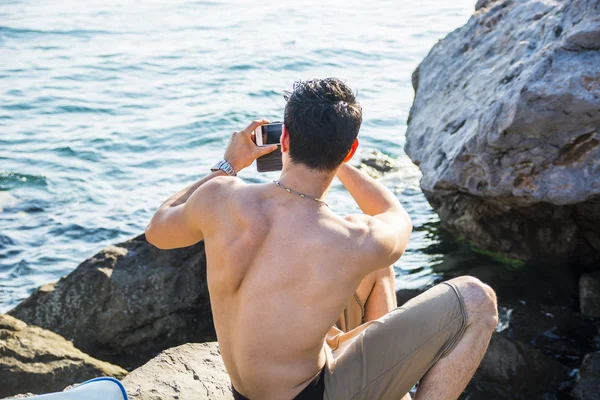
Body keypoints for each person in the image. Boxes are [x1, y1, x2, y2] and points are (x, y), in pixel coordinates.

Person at [145, 78, 498, 400]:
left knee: (375, 273)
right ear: (350, 150)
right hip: (311, 396)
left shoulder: (219, 197)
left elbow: (157, 229)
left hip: (246, 393)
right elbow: (396, 217)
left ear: (284, 139)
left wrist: (228, 164)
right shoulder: (355, 241)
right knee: (477, 298)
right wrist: (337, 160)